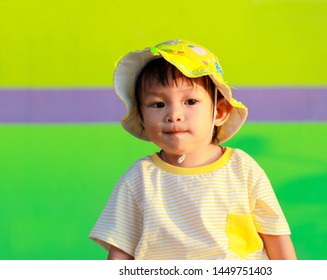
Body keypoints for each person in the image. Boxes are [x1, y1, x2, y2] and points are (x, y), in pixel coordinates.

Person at [89, 39, 296, 260]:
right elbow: (121, 252)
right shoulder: (139, 178)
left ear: (219, 111)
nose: (174, 115)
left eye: (190, 101)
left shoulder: (242, 168)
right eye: (158, 104)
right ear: (142, 118)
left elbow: (276, 237)